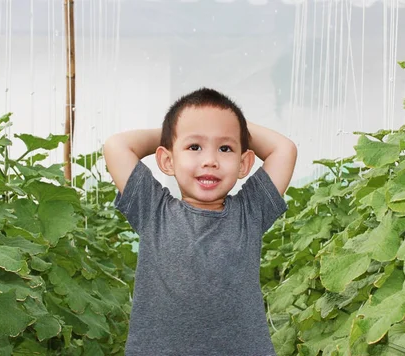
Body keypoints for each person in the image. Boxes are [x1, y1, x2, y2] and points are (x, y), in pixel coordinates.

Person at [103, 88, 297, 356]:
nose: (210, 161)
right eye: (194, 147)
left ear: (244, 164)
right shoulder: (152, 209)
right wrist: (172, 131)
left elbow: (284, 150)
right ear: (167, 160)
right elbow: (117, 146)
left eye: (225, 148)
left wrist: (232, 124)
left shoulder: (251, 212)